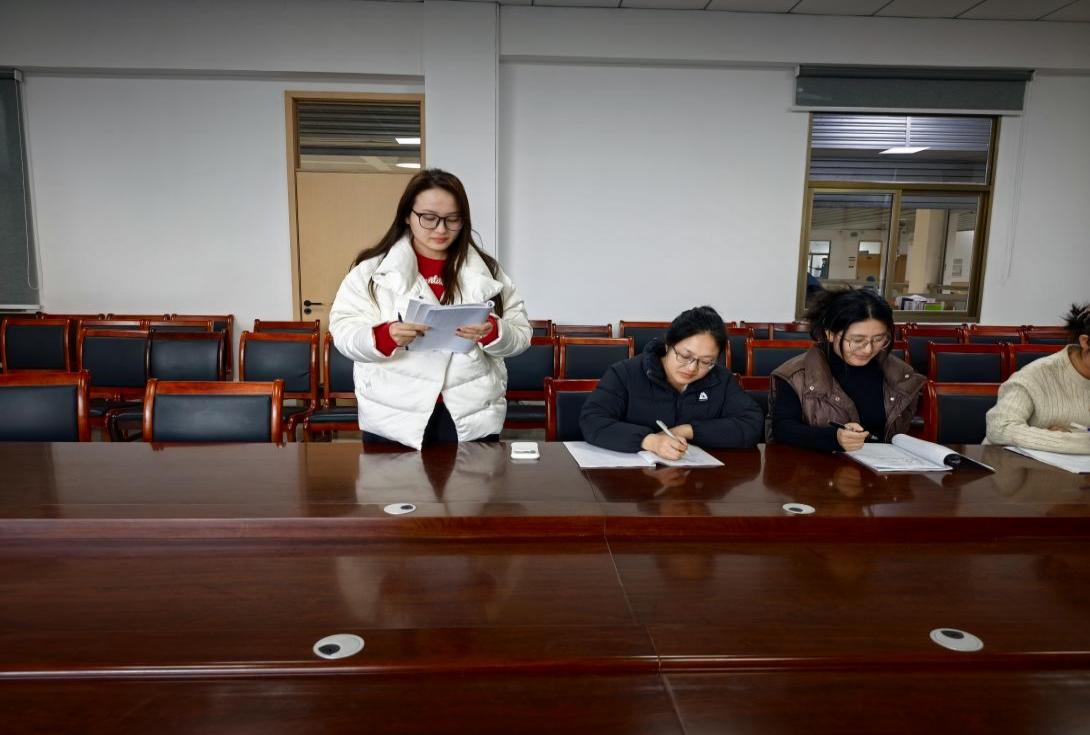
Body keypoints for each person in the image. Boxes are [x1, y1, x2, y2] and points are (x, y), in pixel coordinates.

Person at [328, 169, 531, 449]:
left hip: (469, 415)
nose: (440, 229)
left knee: (473, 479)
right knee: (393, 479)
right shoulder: (371, 272)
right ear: (407, 216)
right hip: (394, 415)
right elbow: (344, 333)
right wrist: (384, 336)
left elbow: (521, 335)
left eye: (452, 219)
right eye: (428, 218)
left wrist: (494, 332)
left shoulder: (488, 272)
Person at [579, 306, 764, 460]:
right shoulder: (625, 373)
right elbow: (592, 420)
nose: (692, 368)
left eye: (706, 361)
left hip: (701, 482)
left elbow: (752, 424)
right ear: (668, 344)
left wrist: (687, 430)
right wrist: (650, 441)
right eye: (685, 356)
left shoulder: (720, 379)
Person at [770, 288, 924, 452]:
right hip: (821, 465)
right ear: (829, 334)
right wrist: (833, 437)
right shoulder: (796, 375)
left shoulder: (902, 375)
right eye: (857, 340)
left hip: (886, 465)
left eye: (878, 339)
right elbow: (782, 429)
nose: (868, 349)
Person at [986, 303, 1090, 455]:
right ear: (1085, 342)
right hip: (1014, 464)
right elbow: (999, 428)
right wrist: (1065, 440)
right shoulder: (1036, 374)